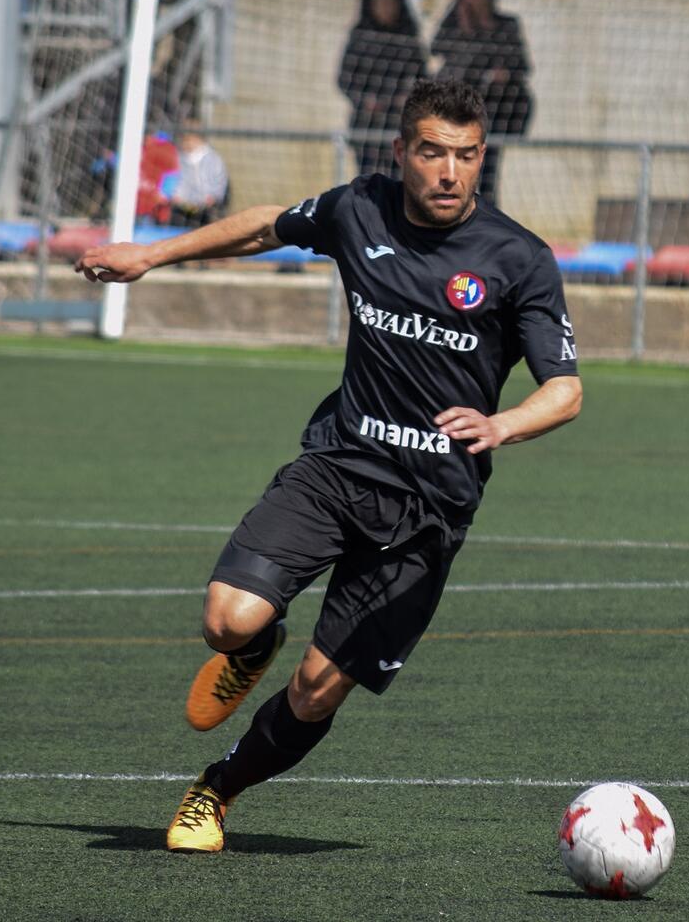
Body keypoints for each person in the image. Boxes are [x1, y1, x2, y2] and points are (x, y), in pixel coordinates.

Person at [73, 79, 582, 853]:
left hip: (427, 513)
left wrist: (501, 424)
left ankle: (217, 788)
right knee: (226, 619)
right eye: (433, 153)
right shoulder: (359, 208)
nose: (451, 172)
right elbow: (264, 226)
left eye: (468, 155)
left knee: (315, 691)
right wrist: (150, 254)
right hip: (337, 468)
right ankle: (254, 648)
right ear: (401, 152)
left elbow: (566, 391)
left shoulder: (520, 259)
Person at [431, 0, 532, 207]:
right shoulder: (453, 26)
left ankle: (485, 214)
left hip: (495, 111)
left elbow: (521, 65)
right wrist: (465, 27)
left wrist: (503, 73)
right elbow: (437, 50)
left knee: (486, 170)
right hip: (459, 111)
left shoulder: (506, 25)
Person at [338, 0, 427, 177]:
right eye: (381, 1)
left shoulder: (408, 39)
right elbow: (344, 79)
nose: (386, 7)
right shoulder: (360, 37)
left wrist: (408, 98)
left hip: (400, 124)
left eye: (391, 1)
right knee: (369, 179)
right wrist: (365, 100)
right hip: (366, 124)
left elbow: (423, 78)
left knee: (399, 179)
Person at [168, 123, 230, 228]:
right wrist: (176, 196)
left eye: (189, 140)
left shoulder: (213, 159)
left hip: (205, 207)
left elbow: (219, 181)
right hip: (182, 206)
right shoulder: (179, 157)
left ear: (198, 139)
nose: (186, 144)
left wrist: (212, 196)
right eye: (184, 140)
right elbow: (175, 179)